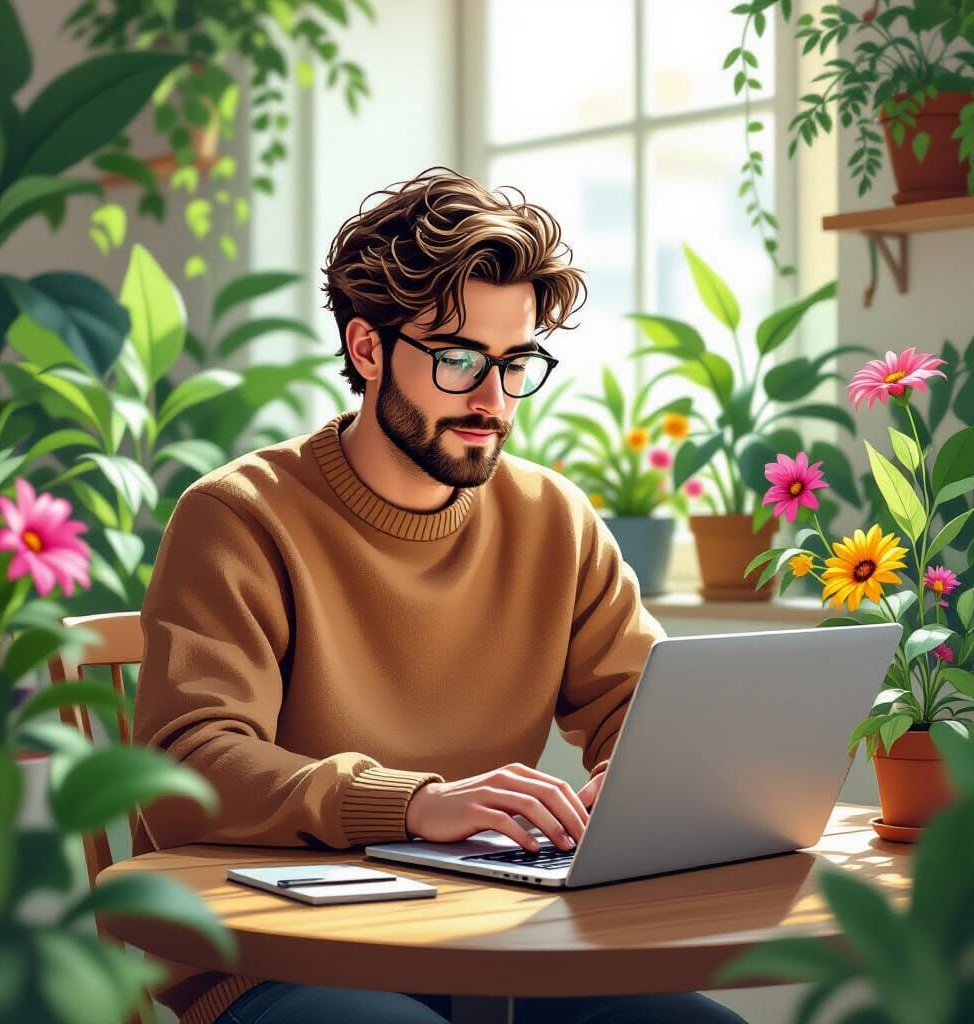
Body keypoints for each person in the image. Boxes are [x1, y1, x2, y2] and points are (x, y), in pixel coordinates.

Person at [132, 166, 748, 1024]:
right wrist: (413, 804)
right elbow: (188, 767)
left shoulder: (551, 519)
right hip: (273, 949)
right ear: (366, 348)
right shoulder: (239, 517)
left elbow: (642, 705)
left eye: (515, 361)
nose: (492, 399)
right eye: (458, 359)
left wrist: (634, 780)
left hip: (494, 937)